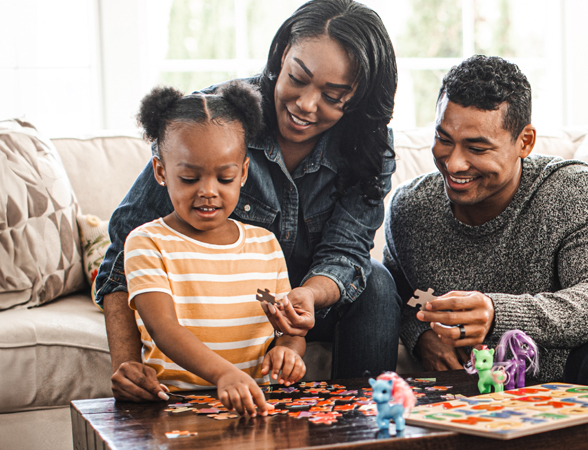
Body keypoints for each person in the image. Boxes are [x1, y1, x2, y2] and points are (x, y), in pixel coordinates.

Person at [95, 0, 402, 403]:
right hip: (221, 301)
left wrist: (304, 300)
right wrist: (126, 362)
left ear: (358, 97)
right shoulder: (212, 124)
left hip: (308, 306)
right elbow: (123, 250)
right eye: (297, 78)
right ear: (280, 56)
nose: (307, 105)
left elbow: (346, 254)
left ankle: (363, 424)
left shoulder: (369, 146)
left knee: (377, 283)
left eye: (333, 95)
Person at [383, 55, 588, 449]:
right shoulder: (409, 209)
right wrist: (420, 336)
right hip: (469, 398)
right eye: (444, 139)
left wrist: (498, 313)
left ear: (525, 141)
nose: (453, 162)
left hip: (565, 387)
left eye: (477, 147)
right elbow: (398, 290)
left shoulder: (574, 191)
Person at [126, 84, 305, 417]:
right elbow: (163, 328)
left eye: (224, 178)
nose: (208, 191)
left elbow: (284, 328)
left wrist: (289, 351)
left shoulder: (264, 244)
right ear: (161, 172)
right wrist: (224, 373)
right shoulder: (146, 242)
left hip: (252, 406)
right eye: (190, 178)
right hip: (176, 407)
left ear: (243, 174)